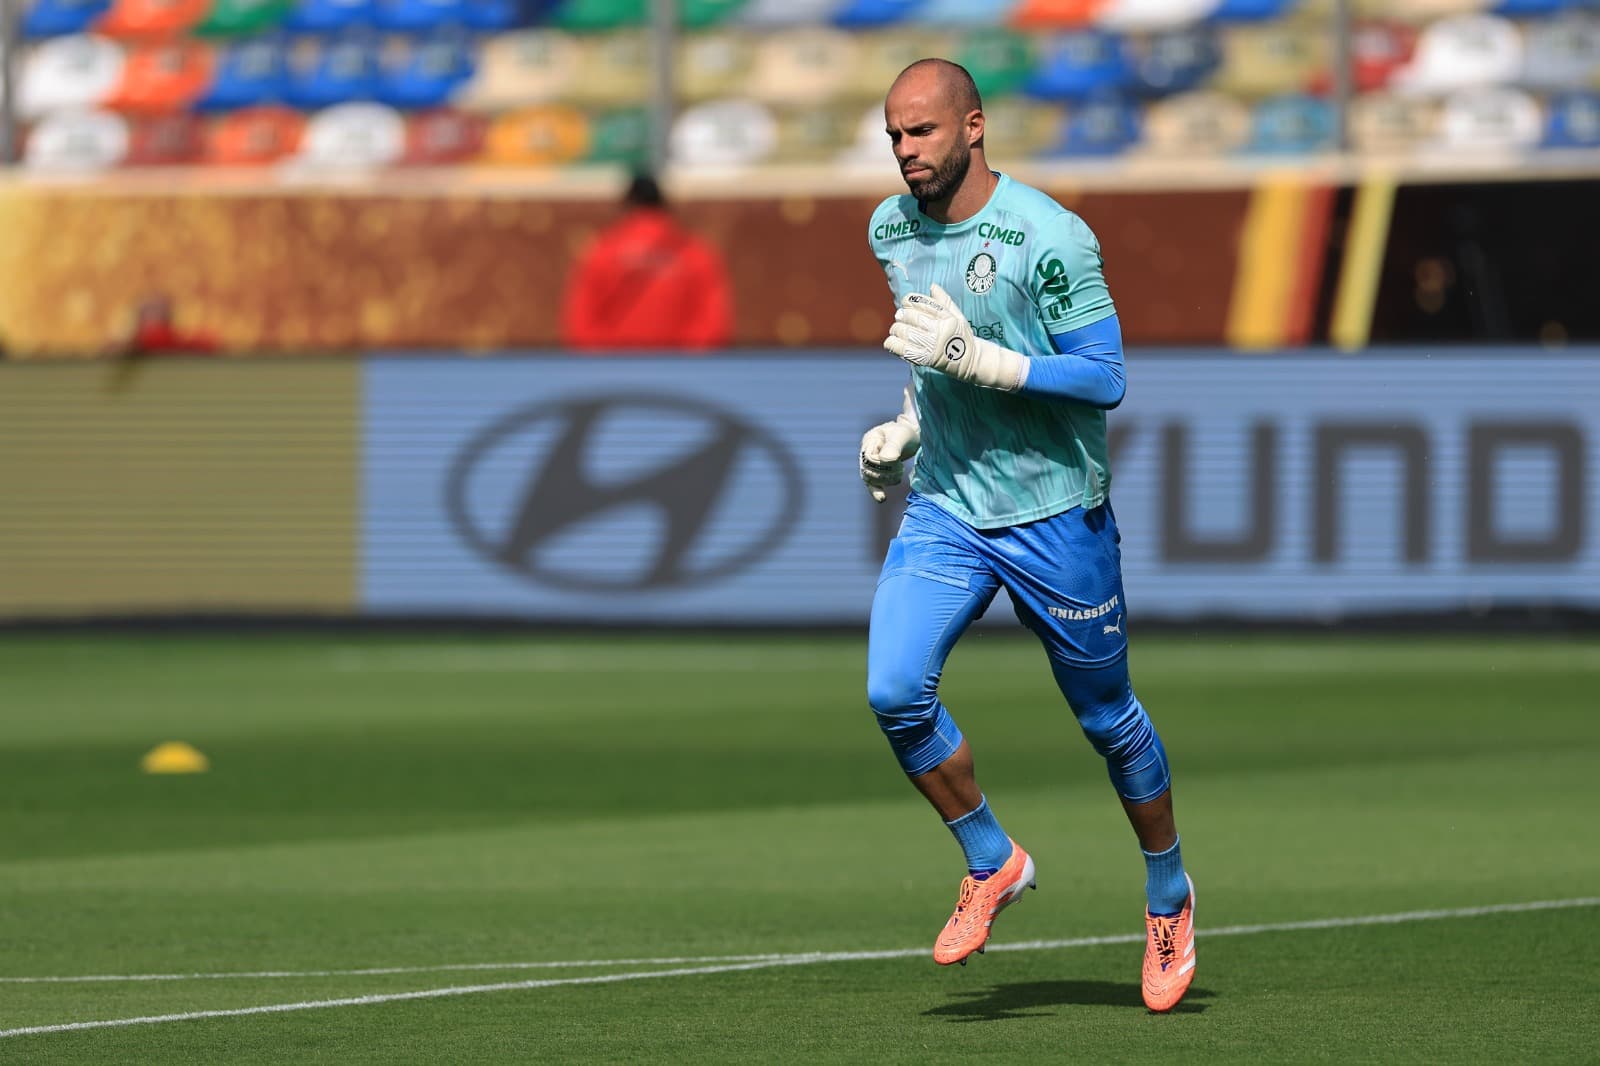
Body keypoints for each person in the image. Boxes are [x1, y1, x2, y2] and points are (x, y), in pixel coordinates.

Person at [858, 58, 1197, 1013]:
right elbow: (931, 351)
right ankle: (990, 857)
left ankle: (1169, 895)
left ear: (973, 126)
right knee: (893, 687)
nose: (904, 151)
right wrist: (910, 425)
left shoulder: (1049, 236)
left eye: (920, 132)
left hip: (1056, 511)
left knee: (1107, 721)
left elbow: (1104, 377)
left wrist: (981, 359)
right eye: (893, 135)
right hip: (950, 505)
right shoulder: (891, 226)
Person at [559, 173, 734, 352]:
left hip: (615, 370)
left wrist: (610, 357)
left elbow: (581, 325)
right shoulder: (695, 253)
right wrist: (683, 356)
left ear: (627, 205)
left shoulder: (600, 253)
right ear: (663, 205)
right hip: (680, 370)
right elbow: (712, 324)